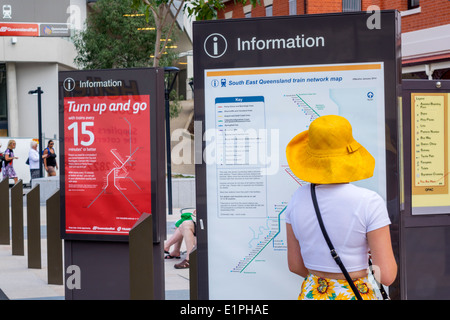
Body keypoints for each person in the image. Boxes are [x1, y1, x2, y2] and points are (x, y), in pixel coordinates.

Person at [285, 115, 397, 300]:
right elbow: (386, 275)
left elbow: (295, 265)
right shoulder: (369, 201)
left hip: (312, 293)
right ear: (350, 155)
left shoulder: (297, 198)